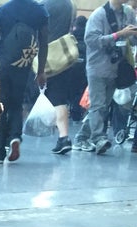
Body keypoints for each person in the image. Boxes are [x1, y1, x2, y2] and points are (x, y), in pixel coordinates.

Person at [0, 0, 50, 163]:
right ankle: (15, 136)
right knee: (16, 104)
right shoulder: (39, 12)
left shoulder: (1, 12)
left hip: (1, 66)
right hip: (23, 66)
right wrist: (41, 71)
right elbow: (44, 44)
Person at [74, 0, 137, 153]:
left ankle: (81, 137)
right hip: (98, 67)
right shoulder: (98, 15)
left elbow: (133, 38)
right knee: (98, 105)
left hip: (116, 68)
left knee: (102, 106)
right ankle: (98, 138)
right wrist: (119, 35)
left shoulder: (128, 13)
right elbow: (92, 41)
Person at [41, 0, 80, 154]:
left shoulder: (43, 5)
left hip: (45, 55)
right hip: (64, 55)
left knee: (36, 93)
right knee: (59, 98)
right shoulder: (70, 5)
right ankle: (64, 137)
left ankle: (17, 131)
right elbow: (71, 26)